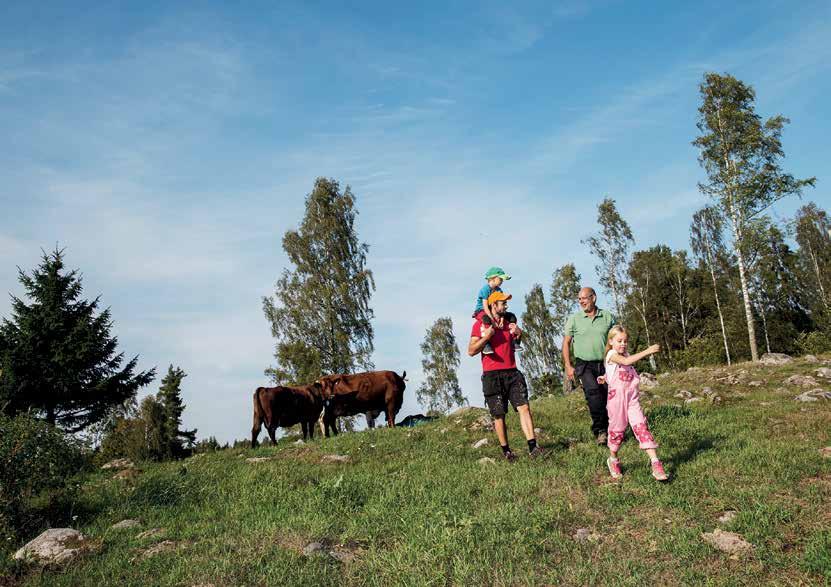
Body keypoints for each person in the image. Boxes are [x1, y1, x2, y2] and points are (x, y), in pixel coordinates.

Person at [468, 291, 544, 461]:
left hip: (512, 372)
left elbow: (517, 341)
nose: (506, 306)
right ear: (493, 306)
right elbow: (471, 351)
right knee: (499, 414)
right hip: (491, 375)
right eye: (502, 303)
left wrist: (519, 333)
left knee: (524, 407)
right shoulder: (480, 325)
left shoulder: (510, 322)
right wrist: (486, 337)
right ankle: (507, 452)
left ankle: (533, 447)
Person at [599, 325, 667, 481]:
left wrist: (605, 377)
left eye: (625, 341)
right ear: (611, 341)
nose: (623, 344)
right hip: (617, 402)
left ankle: (655, 463)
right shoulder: (612, 354)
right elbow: (624, 361)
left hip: (632, 400)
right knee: (618, 431)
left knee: (641, 427)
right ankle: (613, 459)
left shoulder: (625, 354)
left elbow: (619, 370)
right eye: (619, 341)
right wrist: (647, 351)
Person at [562, 287, 616, 445]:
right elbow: (566, 343)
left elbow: (617, 338)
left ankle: (611, 429)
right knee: (593, 394)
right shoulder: (575, 319)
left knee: (607, 396)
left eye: (584, 298)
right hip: (584, 364)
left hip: (606, 363)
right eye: (579, 299)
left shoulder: (607, 317)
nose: (581, 302)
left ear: (594, 298)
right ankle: (600, 431)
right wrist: (568, 365)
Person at [473, 266, 520, 354]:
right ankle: (487, 344)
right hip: (481, 310)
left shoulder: (499, 290)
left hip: (493, 310)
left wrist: (502, 319)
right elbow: (486, 307)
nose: (502, 281)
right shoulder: (485, 290)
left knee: (511, 316)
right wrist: (492, 320)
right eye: (500, 279)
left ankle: (514, 341)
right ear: (493, 279)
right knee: (486, 319)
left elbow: (500, 305)